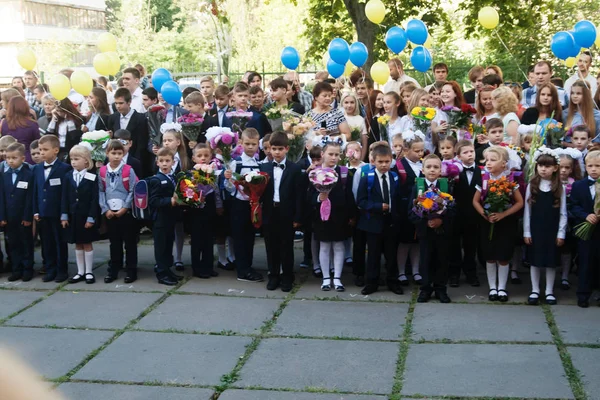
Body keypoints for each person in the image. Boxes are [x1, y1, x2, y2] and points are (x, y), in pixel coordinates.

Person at [473, 146, 524, 303]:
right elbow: (475, 201)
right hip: (488, 222)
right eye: (487, 160)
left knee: (503, 255)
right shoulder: (483, 179)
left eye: (493, 160)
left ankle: (502, 287)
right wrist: (485, 214)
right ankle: (492, 287)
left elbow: (519, 202)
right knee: (490, 255)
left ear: (504, 164)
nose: (488, 163)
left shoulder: (509, 181)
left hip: (505, 223)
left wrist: (503, 214)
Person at [356, 144, 403, 295]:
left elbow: (398, 198)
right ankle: (372, 282)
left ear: (391, 161)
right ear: (373, 161)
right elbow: (361, 201)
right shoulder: (367, 178)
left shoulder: (394, 177)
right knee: (373, 254)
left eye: (387, 162)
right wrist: (377, 206)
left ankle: (393, 281)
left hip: (390, 222)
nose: (383, 165)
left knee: (391, 253)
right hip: (373, 222)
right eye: (380, 162)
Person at [309, 137, 355, 291]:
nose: (334, 157)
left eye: (337, 154)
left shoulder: (343, 173)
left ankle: (337, 278)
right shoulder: (314, 173)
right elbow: (307, 196)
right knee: (324, 246)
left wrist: (351, 215)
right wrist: (318, 198)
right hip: (321, 216)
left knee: (339, 246)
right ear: (323, 154)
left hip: (339, 215)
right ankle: (326, 277)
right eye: (331, 154)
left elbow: (349, 195)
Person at [259, 131, 303, 292]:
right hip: (270, 212)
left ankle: (287, 276)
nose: (276, 152)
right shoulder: (264, 167)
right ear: (269, 149)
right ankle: (273, 275)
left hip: (287, 212)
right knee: (271, 245)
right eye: (274, 149)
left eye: (280, 149)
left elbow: (299, 195)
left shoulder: (295, 169)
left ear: (287, 149)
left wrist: (298, 217)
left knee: (286, 246)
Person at [409, 154, 455, 303]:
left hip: (442, 232)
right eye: (428, 167)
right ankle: (425, 289)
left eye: (436, 167)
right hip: (425, 232)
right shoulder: (418, 186)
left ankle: (441, 289)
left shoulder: (447, 186)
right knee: (426, 260)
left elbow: (453, 209)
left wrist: (440, 220)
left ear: (441, 170)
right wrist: (425, 222)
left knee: (442, 260)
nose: (432, 170)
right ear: (422, 170)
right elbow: (411, 210)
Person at [523, 148, 566, 305]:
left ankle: (549, 291)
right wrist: (526, 231)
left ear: (555, 168)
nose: (543, 169)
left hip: (552, 229)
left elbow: (563, 212)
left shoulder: (558, 188)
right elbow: (527, 211)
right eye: (540, 165)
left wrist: (561, 233)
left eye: (547, 166)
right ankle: (535, 289)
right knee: (535, 259)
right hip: (536, 228)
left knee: (550, 260)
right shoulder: (532, 185)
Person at [222, 128, 265, 282]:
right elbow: (229, 188)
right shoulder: (236, 163)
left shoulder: (259, 163)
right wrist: (228, 179)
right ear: (241, 143)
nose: (250, 147)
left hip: (253, 205)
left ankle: (249, 266)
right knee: (240, 237)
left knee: (250, 236)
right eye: (247, 143)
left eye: (253, 144)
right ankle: (242, 270)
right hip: (239, 204)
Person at [32, 135, 72, 282]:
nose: (42, 153)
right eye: (40, 150)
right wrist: (36, 210)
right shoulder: (36, 169)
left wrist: (64, 213)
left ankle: (62, 270)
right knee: (46, 243)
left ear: (55, 150)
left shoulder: (64, 168)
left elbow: (65, 194)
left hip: (57, 213)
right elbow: (35, 191)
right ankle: (50, 269)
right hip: (43, 212)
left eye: (45, 149)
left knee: (60, 242)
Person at [99, 139, 138, 284]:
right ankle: (113, 270)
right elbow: (101, 191)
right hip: (110, 211)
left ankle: (131, 270)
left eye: (119, 153)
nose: (116, 156)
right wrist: (105, 209)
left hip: (125, 212)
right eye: (113, 153)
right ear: (107, 153)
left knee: (129, 242)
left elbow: (133, 189)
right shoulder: (103, 171)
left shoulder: (128, 170)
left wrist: (125, 207)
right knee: (114, 242)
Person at [61, 145, 99, 284]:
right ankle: (80, 271)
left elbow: (94, 199)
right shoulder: (67, 176)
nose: (73, 162)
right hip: (73, 216)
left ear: (86, 161)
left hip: (85, 216)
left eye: (77, 159)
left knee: (87, 242)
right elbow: (64, 197)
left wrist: (91, 217)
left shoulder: (92, 177)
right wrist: (64, 215)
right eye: (72, 159)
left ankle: (89, 271)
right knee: (77, 243)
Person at [569, 150, 600, 308]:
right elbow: (573, 206)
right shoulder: (579, 185)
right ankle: (583, 295)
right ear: (585, 167)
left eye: (598, 166)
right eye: (590, 166)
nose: (594, 169)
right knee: (585, 262)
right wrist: (585, 215)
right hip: (585, 232)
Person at [449, 140, 481, 287]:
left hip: (474, 215)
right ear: (458, 156)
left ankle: (471, 273)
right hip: (457, 214)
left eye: (471, 151)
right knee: (454, 245)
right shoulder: (453, 171)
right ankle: (454, 273)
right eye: (465, 152)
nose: (470, 154)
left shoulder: (481, 171)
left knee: (471, 245)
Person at [0, 143, 34, 282]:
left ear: (22, 158)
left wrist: (27, 216)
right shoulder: (4, 175)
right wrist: (2, 216)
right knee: (12, 244)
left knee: (26, 243)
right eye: (8, 158)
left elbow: (29, 198)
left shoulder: (28, 174)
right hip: (9, 217)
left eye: (14, 158)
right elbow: (1, 196)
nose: (10, 161)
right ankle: (16, 269)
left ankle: (27, 269)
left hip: (23, 217)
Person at [187, 143, 222, 278]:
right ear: (194, 158)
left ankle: (208, 266)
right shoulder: (191, 174)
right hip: (196, 209)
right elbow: (188, 191)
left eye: (206, 156)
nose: (203, 158)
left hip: (210, 207)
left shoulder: (213, 173)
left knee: (209, 238)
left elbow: (217, 189)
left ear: (211, 157)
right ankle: (197, 268)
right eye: (199, 156)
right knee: (197, 239)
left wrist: (219, 206)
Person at [148, 147, 181, 285]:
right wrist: (170, 201)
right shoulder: (156, 179)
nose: (165, 164)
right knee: (161, 247)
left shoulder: (172, 177)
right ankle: (161, 273)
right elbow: (153, 201)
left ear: (173, 162)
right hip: (160, 219)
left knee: (168, 245)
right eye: (161, 161)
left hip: (170, 218)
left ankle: (168, 270)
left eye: (168, 161)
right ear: (157, 163)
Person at [396, 130, 425, 286]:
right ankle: (401, 271)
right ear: (406, 150)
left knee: (417, 242)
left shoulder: (423, 165)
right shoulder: (399, 166)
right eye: (417, 150)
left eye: (422, 150)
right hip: (404, 210)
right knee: (404, 242)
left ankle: (416, 271)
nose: (420, 153)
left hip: (421, 208)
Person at [107, 88, 150, 176]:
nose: (118, 106)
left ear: (129, 102)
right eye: (116, 103)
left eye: (121, 103)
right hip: (116, 160)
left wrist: (136, 161)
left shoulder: (140, 118)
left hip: (134, 159)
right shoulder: (112, 118)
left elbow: (142, 143)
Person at [556, 149, 582, 290]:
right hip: (555, 220)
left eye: (567, 167)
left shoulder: (575, 183)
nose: (564, 170)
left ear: (572, 169)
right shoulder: (552, 182)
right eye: (561, 167)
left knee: (567, 249)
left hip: (570, 220)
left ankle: (565, 276)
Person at [0, 96, 40, 163]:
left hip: (10, 159)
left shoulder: (4, 123)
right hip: (27, 159)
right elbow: (36, 143)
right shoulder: (33, 124)